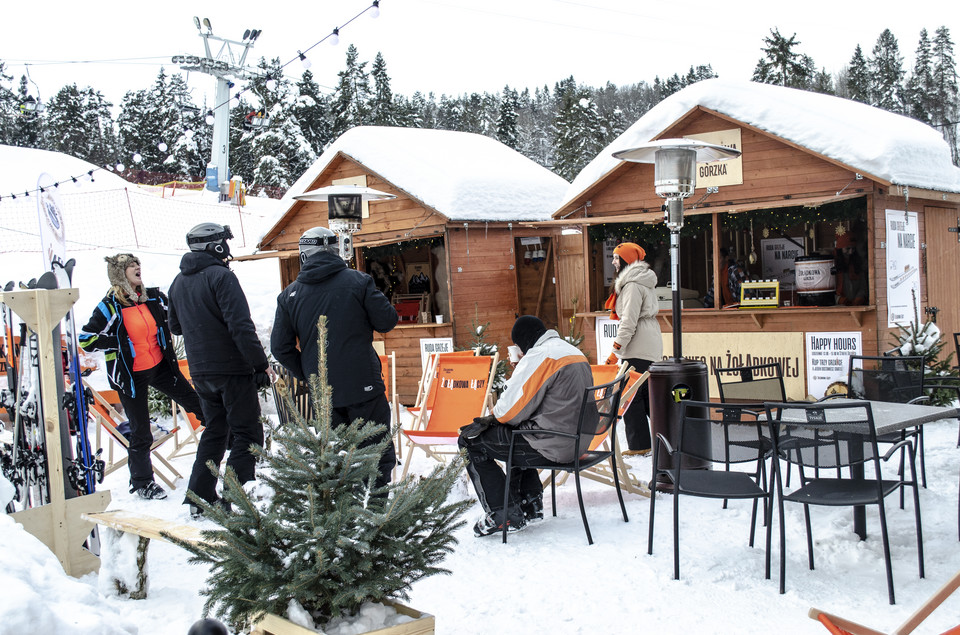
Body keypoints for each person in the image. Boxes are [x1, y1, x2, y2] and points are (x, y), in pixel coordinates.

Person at [271, 226, 398, 489]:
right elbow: (386, 321)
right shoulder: (359, 281)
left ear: (304, 255)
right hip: (363, 384)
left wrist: (308, 374)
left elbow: (280, 348)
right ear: (338, 251)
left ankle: (345, 520)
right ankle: (374, 514)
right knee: (375, 454)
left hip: (324, 394)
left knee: (336, 458)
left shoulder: (289, 296)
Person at [167, 222, 273, 518]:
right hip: (231, 369)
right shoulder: (221, 277)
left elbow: (175, 326)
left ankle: (200, 495)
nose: (227, 248)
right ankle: (236, 498)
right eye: (224, 243)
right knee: (247, 432)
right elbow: (240, 325)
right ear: (215, 246)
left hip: (201, 371)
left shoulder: (177, 282)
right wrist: (259, 364)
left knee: (215, 430)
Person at [79, 254, 205, 500]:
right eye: (130, 266)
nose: (138, 268)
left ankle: (227, 443)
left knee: (198, 403)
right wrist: (120, 342)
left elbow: (178, 314)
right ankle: (142, 482)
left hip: (160, 366)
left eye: (138, 264)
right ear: (119, 274)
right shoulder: (109, 306)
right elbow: (86, 339)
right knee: (141, 431)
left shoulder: (154, 298)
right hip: (130, 375)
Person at [458, 315, 594, 537]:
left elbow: (507, 412)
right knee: (516, 430)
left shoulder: (541, 356)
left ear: (524, 341)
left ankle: (504, 514)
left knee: (469, 440)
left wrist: (522, 369)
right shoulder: (569, 351)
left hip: (554, 444)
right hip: (577, 440)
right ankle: (530, 503)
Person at [603, 242, 661, 455]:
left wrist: (615, 351)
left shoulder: (633, 285)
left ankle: (640, 445)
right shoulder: (641, 281)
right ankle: (665, 438)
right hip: (648, 343)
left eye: (617, 258)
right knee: (645, 396)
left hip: (637, 346)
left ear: (627, 260)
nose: (613, 261)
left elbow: (628, 322)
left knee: (630, 395)